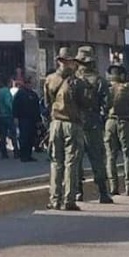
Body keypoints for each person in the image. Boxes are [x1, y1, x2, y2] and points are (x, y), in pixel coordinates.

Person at [44, 47, 85, 211]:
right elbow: (84, 104)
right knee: (71, 163)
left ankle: (54, 200)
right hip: (71, 124)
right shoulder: (77, 83)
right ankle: (69, 200)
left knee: (56, 163)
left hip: (55, 124)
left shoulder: (49, 79)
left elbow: (47, 103)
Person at [74, 46, 113, 204]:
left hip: (76, 122)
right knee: (97, 158)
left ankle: (78, 192)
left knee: (75, 159)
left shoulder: (73, 79)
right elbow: (107, 103)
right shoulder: (100, 81)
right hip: (93, 123)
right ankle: (103, 192)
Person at [105, 61, 129, 197]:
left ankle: (113, 186)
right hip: (125, 122)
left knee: (111, 156)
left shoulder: (107, 89)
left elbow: (103, 106)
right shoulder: (128, 89)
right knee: (128, 155)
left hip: (110, 121)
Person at [13, 76, 41, 162]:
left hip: (32, 119)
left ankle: (29, 155)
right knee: (24, 137)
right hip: (24, 119)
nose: (30, 85)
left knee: (31, 137)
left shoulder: (34, 94)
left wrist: (38, 120)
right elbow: (15, 106)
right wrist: (15, 117)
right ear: (25, 84)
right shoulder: (20, 94)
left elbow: (37, 108)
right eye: (29, 83)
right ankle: (23, 155)